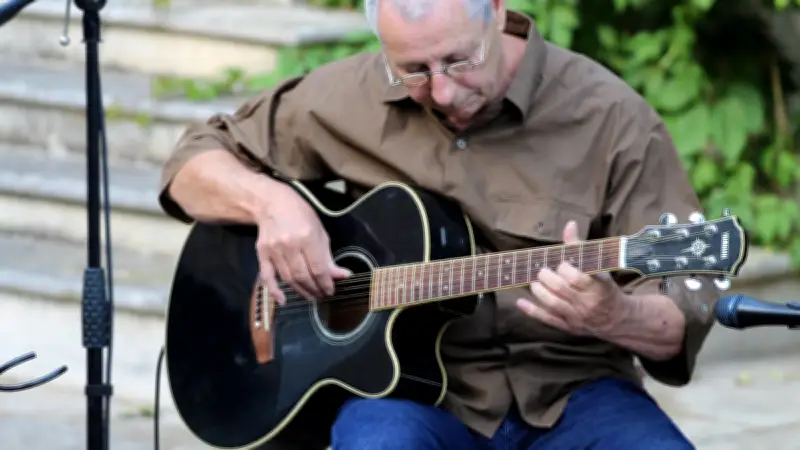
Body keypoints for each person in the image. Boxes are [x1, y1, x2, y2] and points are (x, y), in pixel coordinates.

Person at [158, 0, 721, 448]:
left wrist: (616, 315)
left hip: (572, 392)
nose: (443, 90)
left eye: (459, 60)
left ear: (496, 10)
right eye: (413, 71)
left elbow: (682, 311)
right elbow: (191, 163)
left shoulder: (610, 117)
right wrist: (270, 204)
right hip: (411, 397)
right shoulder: (346, 97)